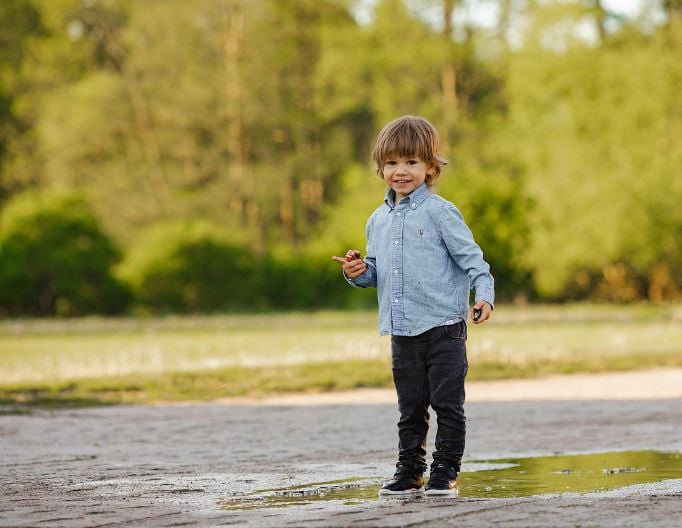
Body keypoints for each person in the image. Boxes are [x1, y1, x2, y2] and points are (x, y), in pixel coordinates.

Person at [332, 115, 494, 498]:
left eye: (411, 163)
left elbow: (473, 259)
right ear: (380, 168)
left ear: (431, 168)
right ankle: (410, 470)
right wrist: (358, 271)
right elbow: (376, 271)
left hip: (443, 327)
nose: (400, 171)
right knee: (410, 408)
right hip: (402, 331)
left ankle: (446, 471)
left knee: (447, 404)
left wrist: (483, 294)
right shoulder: (378, 220)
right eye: (391, 163)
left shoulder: (440, 212)